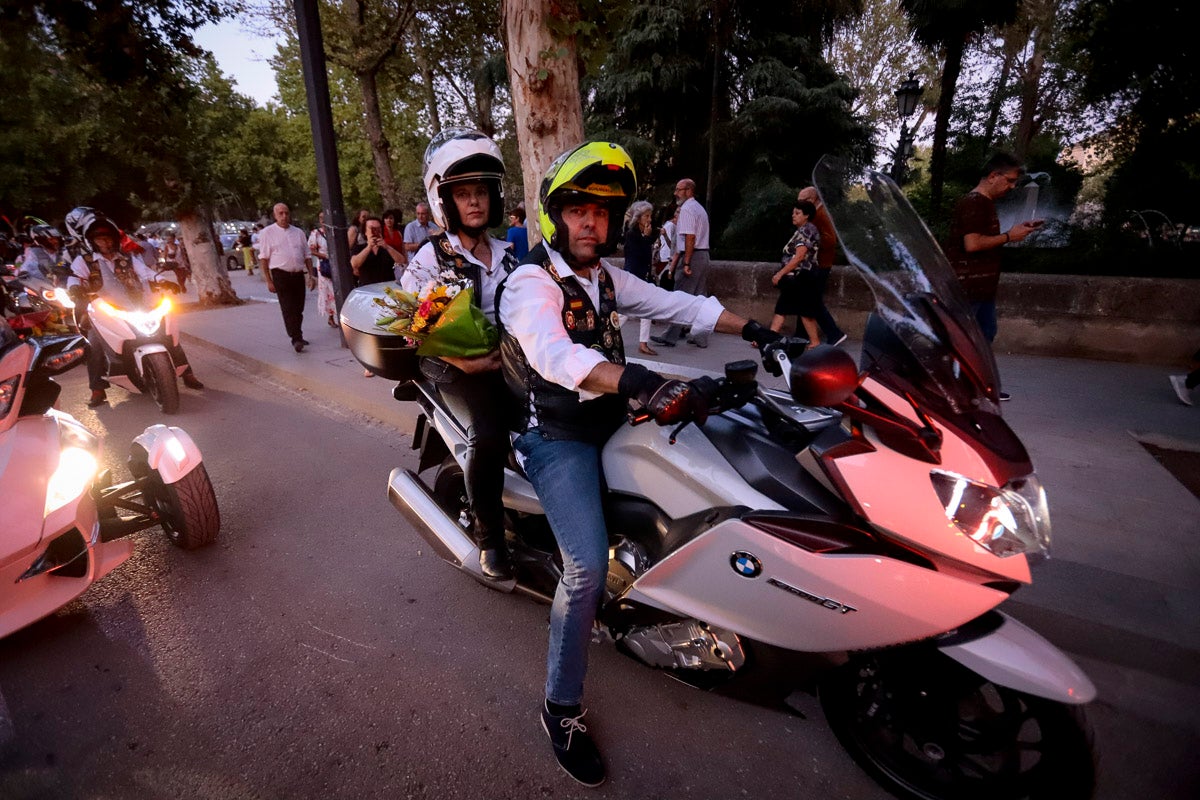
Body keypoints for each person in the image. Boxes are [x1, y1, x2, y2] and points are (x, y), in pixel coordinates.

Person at [498, 141, 780, 786]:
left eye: (602, 210)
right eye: (578, 209)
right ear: (555, 216)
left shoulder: (605, 278)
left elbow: (681, 306)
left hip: (616, 419)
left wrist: (761, 331)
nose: (592, 222)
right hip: (559, 436)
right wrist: (637, 385)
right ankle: (560, 706)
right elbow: (555, 356)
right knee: (584, 568)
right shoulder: (530, 283)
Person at [401, 128, 519, 579]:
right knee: (488, 434)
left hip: (507, 362)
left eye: (482, 192)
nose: (475, 202)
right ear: (443, 200)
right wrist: (464, 361)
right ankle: (489, 539)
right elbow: (413, 329)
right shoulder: (430, 260)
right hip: (455, 371)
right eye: (464, 193)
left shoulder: (510, 256)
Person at [65, 210, 203, 407]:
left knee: (169, 334)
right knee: (94, 344)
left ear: (115, 238)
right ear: (91, 241)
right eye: (100, 239)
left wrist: (163, 281)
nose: (105, 243)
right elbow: (74, 277)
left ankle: (187, 374)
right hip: (104, 310)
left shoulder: (128, 258)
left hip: (138, 305)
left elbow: (146, 273)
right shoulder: (84, 261)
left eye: (108, 238)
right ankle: (97, 389)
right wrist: (75, 288)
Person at [944, 153, 1042, 401]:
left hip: (979, 287)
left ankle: (973, 387)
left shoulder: (982, 203)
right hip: (968, 287)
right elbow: (973, 244)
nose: (1011, 187)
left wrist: (1017, 232)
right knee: (967, 340)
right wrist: (1010, 236)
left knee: (982, 335)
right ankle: (961, 388)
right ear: (992, 176)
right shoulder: (974, 203)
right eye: (1009, 181)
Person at [652, 178, 711, 347]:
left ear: (688, 190)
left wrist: (686, 263)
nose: (675, 193)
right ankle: (700, 336)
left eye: (678, 189)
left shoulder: (687, 209)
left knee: (681, 297)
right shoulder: (699, 208)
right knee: (700, 298)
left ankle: (670, 336)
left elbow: (689, 237)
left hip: (692, 256)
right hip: (703, 255)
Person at [258, 203, 312, 352]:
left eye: (286, 213)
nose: (284, 216)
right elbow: (264, 258)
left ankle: (298, 334)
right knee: (288, 307)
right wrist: (269, 280)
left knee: (298, 307)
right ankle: (295, 338)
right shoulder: (268, 233)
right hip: (281, 274)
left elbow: (307, 255)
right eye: (280, 213)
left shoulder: (298, 232)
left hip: (297, 274)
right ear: (275, 215)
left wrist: (311, 275)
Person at [797, 186, 846, 346]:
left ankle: (834, 333)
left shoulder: (821, 215)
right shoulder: (813, 214)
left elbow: (831, 241)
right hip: (813, 264)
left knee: (811, 300)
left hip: (820, 265)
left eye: (804, 201)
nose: (800, 205)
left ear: (814, 199)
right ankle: (801, 334)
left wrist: (810, 243)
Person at [770, 199, 821, 345]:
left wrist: (780, 274)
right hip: (801, 276)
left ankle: (814, 342)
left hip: (801, 276)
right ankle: (770, 337)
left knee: (801, 309)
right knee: (785, 306)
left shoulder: (805, 230)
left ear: (806, 215)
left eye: (797, 213)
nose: (793, 215)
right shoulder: (806, 229)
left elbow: (799, 257)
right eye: (793, 213)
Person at [621, 199, 658, 355]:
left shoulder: (641, 234)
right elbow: (638, 256)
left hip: (642, 278)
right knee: (623, 314)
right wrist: (646, 238)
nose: (649, 219)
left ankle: (643, 343)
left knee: (646, 311)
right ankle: (602, 334)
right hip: (633, 278)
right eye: (646, 216)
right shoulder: (632, 235)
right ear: (638, 217)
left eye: (650, 216)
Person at [350, 216, 403, 287]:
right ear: (365, 231)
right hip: (367, 289)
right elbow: (354, 264)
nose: (375, 231)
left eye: (378, 228)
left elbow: (402, 261)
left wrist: (387, 247)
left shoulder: (388, 248)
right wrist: (369, 247)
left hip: (387, 288)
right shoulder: (359, 248)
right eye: (372, 228)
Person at [309, 213, 336, 328]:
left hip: (336, 263)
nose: (323, 220)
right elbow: (311, 250)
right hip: (324, 264)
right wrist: (324, 256)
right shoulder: (316, 234)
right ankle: (331, 316)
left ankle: (336, 315)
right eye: (321, 218)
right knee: (328, 290)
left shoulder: (335, 231)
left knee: (336, 289)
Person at [381, 208, 409, 279]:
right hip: (386, 263)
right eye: (386, 218)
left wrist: (406, 261)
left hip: (399, 263)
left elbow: (403, 248)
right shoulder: (381, 232)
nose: (388, 220)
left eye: (391, 218)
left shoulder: (398, 232)